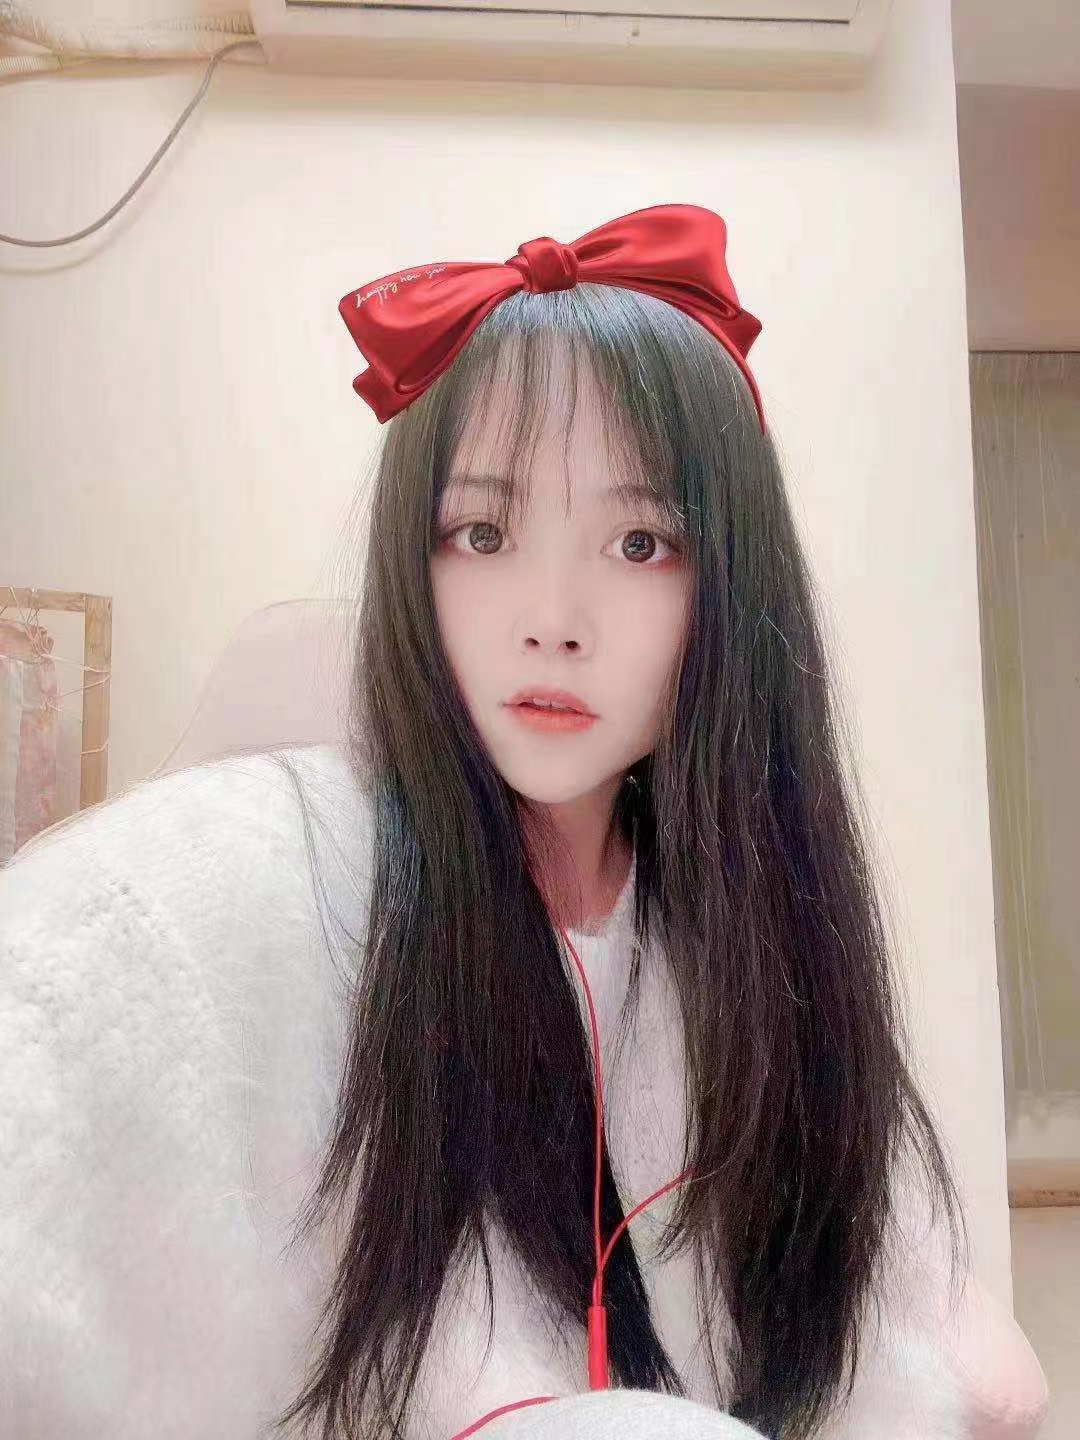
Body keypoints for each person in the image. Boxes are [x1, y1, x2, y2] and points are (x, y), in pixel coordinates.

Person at [0, 205, 1047, 1440]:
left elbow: (969, 1360)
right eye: (483, 532)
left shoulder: (753, 941)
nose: (552, 619)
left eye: (639, 541)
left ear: (730, 588)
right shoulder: (257, 867)